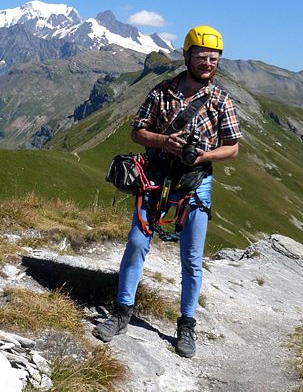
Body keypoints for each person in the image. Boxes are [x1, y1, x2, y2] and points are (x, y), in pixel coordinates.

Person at [93, 25, 242, 358]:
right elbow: (137, 132)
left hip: (195, 181)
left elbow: (232, 148)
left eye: (214, 58)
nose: (208, 63)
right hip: (156, 176)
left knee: (191, 257)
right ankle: (121, 313)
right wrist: (164, 141)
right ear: (187, 56)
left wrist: (203, 156)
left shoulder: (220, 100)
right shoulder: (162, 92)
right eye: (202, 56)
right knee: (136, 243)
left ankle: (186, 326)